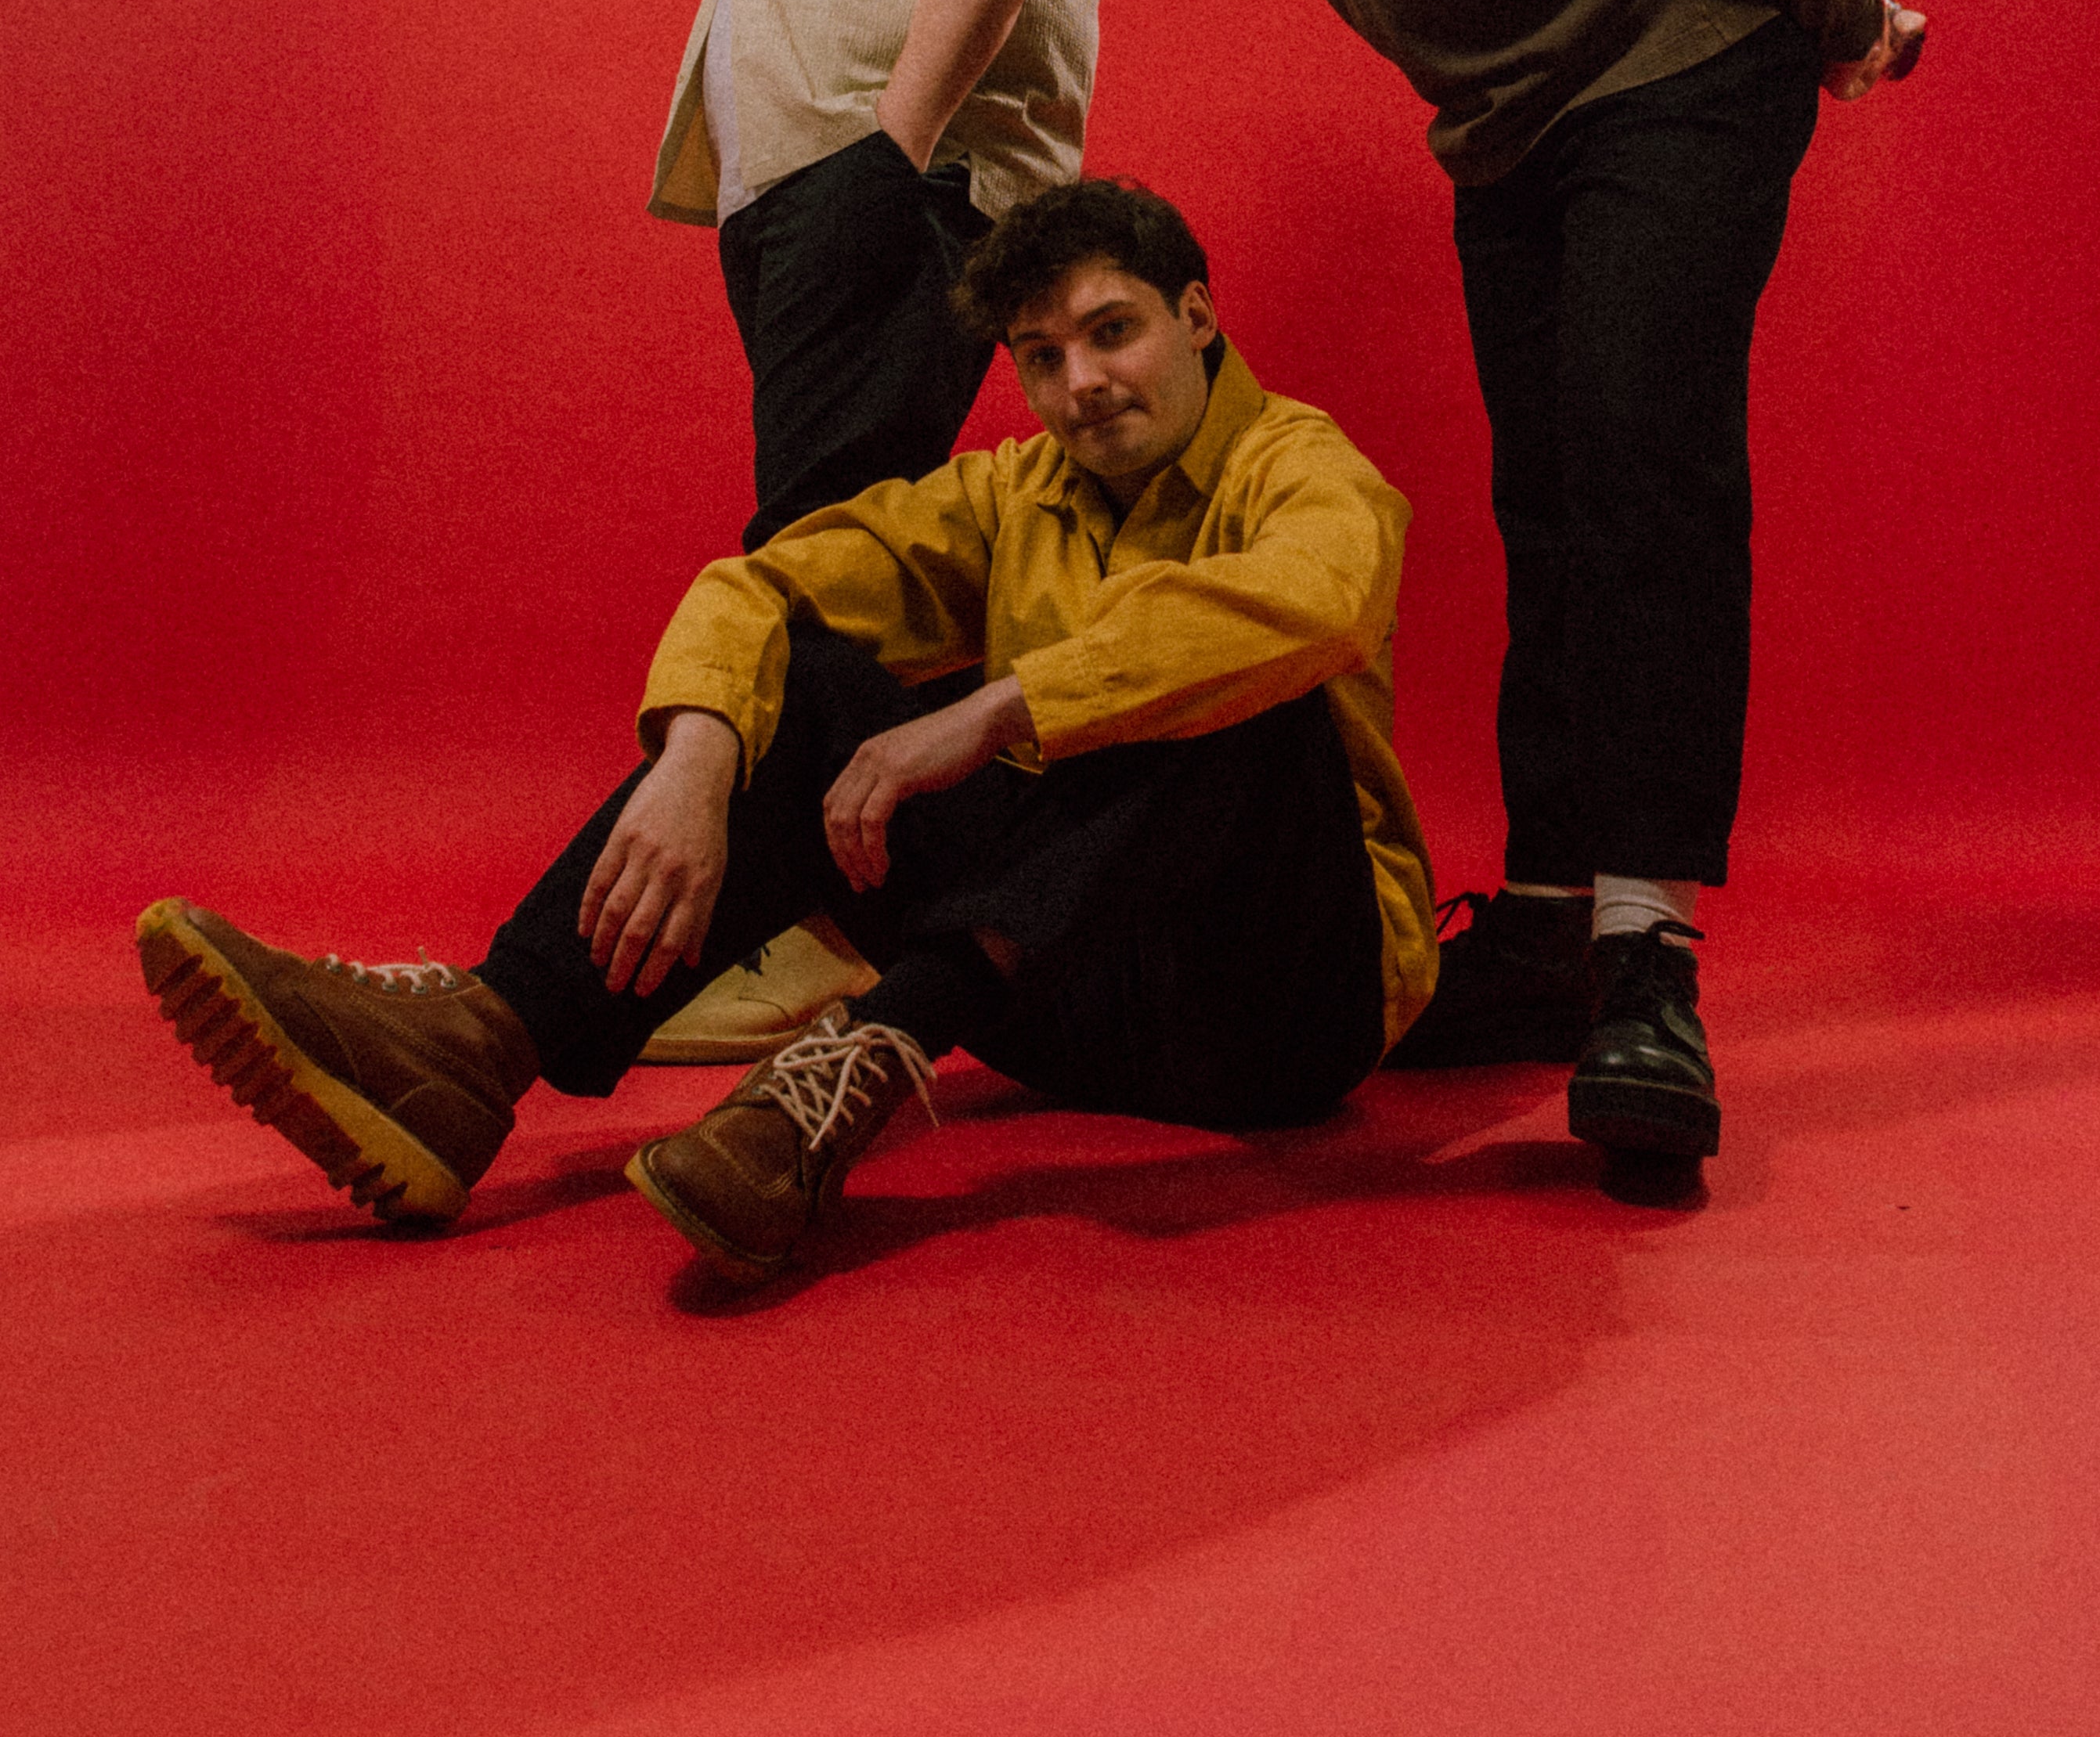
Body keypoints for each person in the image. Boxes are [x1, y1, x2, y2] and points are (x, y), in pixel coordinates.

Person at [1007, 0, 1928, 1166]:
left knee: (1641, 477)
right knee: (1546, 505)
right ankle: (1556, 922)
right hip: (1520, 145)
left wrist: (1847, 3)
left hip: (1682, 77)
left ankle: (1648, 962)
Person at [137, 183, 1437, 1290]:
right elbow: (768, 587)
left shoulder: (1300, 464)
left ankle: (853, 1066)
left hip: (1273, 1021)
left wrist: (997, 707)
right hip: (1063, 1001)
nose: (1081, 386)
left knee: (1235, 693)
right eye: (1042, 357)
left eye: (1112, 333)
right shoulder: (1016, 491)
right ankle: (476, 1048)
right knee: (797, 677)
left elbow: (1317, 601)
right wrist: (697, 758)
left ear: (1195, 316)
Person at [643, 0, 1123, 1066]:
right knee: (839, 560)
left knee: (815, 561)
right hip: (814, 195)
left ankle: (806, 930)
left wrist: (885, 157)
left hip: (892, 187)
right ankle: (915, 924)